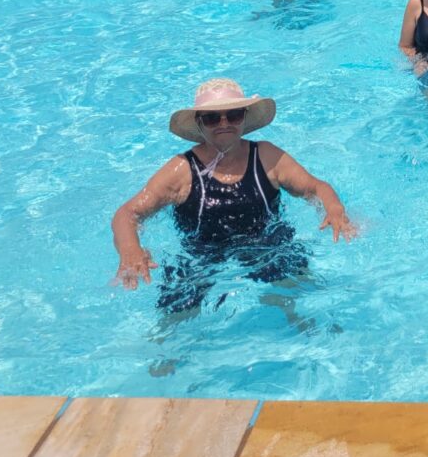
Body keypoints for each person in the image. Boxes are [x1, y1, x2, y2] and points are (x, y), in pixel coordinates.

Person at [110, 79, 358, 304]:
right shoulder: (181, 170)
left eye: (233, 115)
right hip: (201, 251)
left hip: (266, 243)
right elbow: (127, 214)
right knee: (176, 309)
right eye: (212, 118)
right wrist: (131, 250)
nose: (224, 123)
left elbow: (315, 187)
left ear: (245, 117)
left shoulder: (267, 156)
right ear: (199, 123)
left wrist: (334, 210)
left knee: (301, 295)